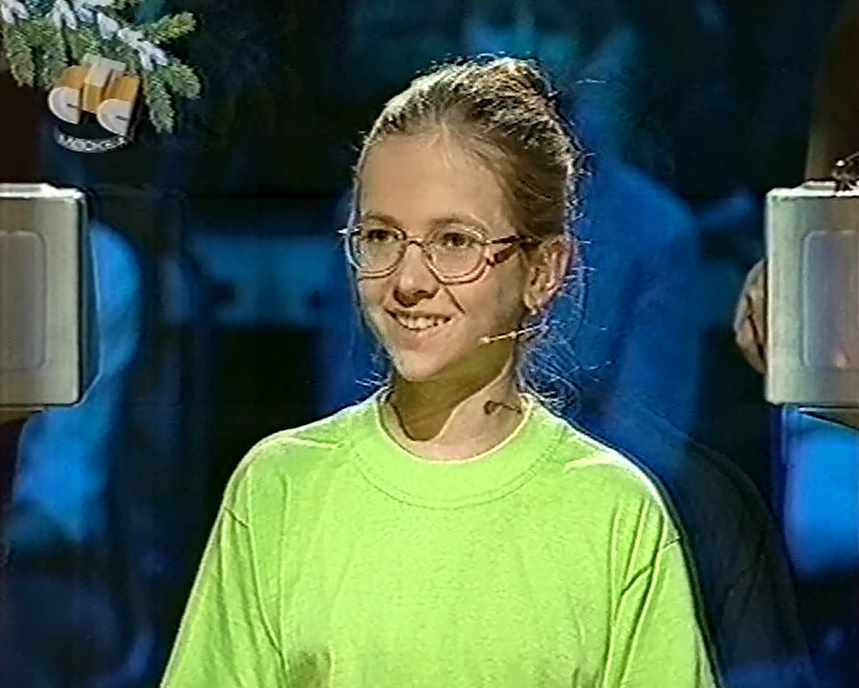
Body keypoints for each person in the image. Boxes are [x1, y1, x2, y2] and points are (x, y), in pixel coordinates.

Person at [159, 57, 718, 687]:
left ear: (543, 271)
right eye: (380, 236)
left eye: (454, 242)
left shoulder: (614, 512)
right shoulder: (280, 488)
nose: (408, 280)